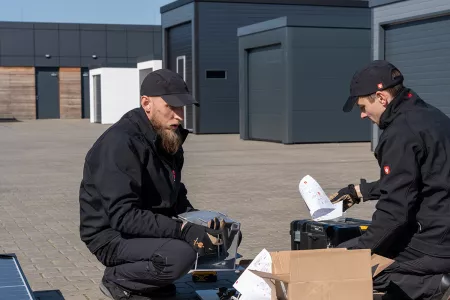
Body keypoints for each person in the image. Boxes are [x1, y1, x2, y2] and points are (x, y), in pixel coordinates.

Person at [79, 69, 226, 299]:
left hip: (143, 228)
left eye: (182, 108)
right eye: (171, 107)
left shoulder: (167, 138)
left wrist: (200, 221)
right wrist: (183, 230)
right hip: (111, 236)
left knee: (220, 238)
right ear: (146, 103)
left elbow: (176, 197)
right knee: (179, 255)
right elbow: (123, 216)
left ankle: (152, 279)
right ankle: (118, 279)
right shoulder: (120, 143)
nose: (179, 116)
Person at [329, 60, 450, 300]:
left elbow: (394, 214)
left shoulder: (400, 133)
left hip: (436, 241)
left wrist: (352, 252)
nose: (363, 115)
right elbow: (420, 177)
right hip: (443, 227)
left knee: (358, 270)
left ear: (381, 97)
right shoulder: (431, 116)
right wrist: (361, 191)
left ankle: (439, 286)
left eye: (363, 106)